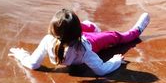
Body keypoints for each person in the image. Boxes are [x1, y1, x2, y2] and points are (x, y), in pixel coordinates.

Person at [8, 9, 150, 76]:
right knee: (115, 36)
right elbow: (101, 70)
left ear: (52, 31)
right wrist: (115, 60)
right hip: (90, 42)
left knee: (68, 25)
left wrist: (21, 55)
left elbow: (33, 64)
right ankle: (136, 30)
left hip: (76, 38)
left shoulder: (47, 40)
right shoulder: (84, 51)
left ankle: (90, 26)